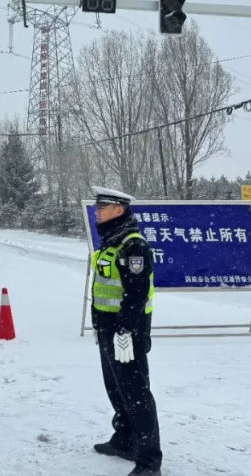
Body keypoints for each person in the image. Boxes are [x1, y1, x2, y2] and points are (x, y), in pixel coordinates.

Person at [90, 186, 162, 476]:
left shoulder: (134, 245)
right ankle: (124, 440)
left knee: (136, 394)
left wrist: (125, 328)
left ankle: (148, 460)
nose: (97, 211)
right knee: (117, 390)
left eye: (102, 207)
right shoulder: (111, 241)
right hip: (108, 328)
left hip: (126, 332)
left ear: (118, 209)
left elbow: (137, 293)